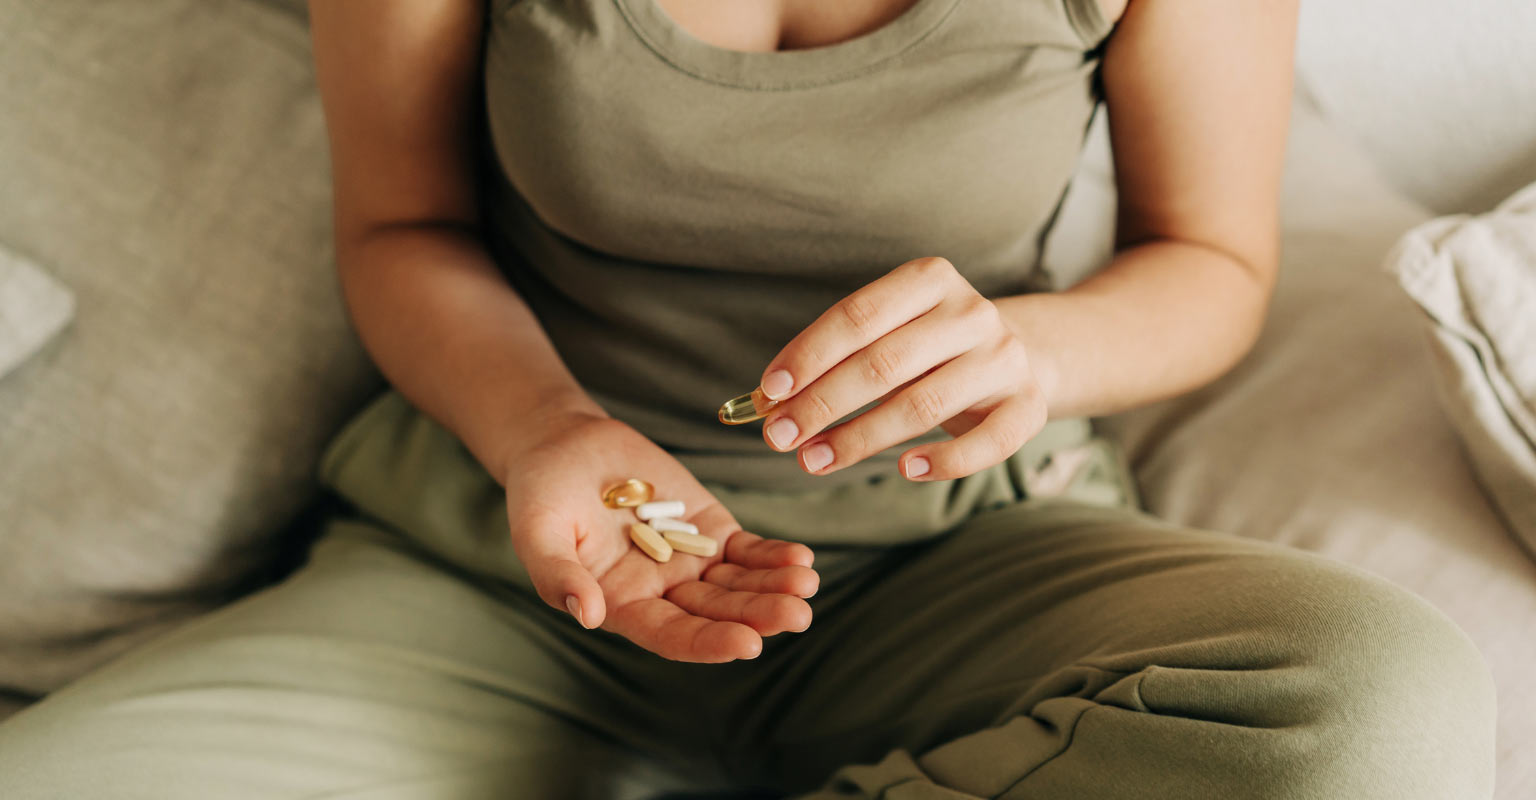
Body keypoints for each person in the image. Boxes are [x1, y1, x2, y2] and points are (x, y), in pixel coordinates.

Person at [0, 0, 1497, 797]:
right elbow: (401, 231)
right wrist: (548, 428)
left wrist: (1042, 352)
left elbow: (1211, 262)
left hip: (962, 563)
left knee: (1380, 701)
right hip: (487, 576)